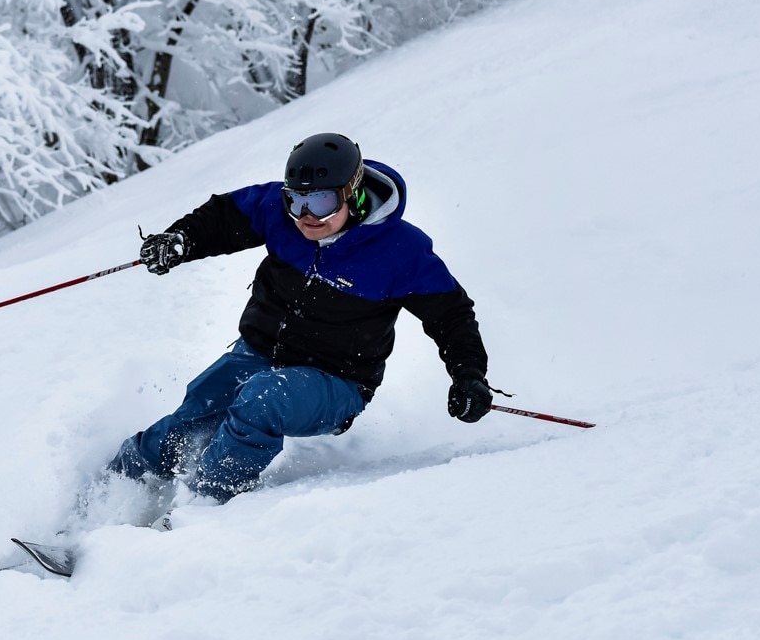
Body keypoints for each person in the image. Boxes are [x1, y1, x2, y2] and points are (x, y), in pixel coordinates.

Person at [107, 133, 492, 502]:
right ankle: (106, 494)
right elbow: (223, 217)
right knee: (192, 416)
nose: (307, 216)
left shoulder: (401, 252)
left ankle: (203, 505)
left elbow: (452, 315)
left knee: (263, 400)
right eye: (296, 201)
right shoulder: (279, 213)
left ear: (352, 194)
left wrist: (468, 375)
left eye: (322, 202)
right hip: (259, 351)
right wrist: (181, 240)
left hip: (338, 381)